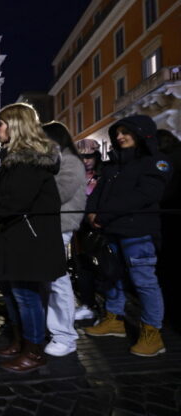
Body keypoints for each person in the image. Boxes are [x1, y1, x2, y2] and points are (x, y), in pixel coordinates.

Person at [0, 103, 66, 373]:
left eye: (1, 124)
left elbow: (13, 202)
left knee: (26, 296)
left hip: (29, 239)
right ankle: (20, 342)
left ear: (15, 127)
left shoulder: (27, 163)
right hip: (18, 237)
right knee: (15, 294)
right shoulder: (17, 161)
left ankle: (35, 351)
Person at [84, 115, 171, 357]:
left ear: (142, 133)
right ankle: (114, 320)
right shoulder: (114, 165)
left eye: (126, 132)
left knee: (145, 283)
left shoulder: (156, 162)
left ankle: (153, 334)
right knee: (112, 277)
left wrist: (103, 215)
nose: (120, 137)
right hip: (112, 231)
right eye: (118, 133)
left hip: (139, 233)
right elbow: (98, 192)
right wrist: (91, 211)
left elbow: (144, 196)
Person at [42, 122, 86, 357]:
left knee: (58, 280)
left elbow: (59, 193)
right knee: (54, 279)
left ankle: (65, 335)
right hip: (55, 225)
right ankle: (60, 331)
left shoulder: (70, 162)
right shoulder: (61, 161)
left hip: (61, 224)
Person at [72, 138, 104, 321]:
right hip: (80, 227)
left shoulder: (104, 173)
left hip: (99, 226)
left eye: (89, 156)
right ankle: (88, 304)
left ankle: (110, 312)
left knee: (106, 269)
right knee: (83, 267)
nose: (85, 160)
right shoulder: (74, 175)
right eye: (82, 157)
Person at [156, 129, 181, 329]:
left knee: (168, 268)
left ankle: (170, 313)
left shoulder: (167, 161)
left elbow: (164, 191)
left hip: (169, 220)